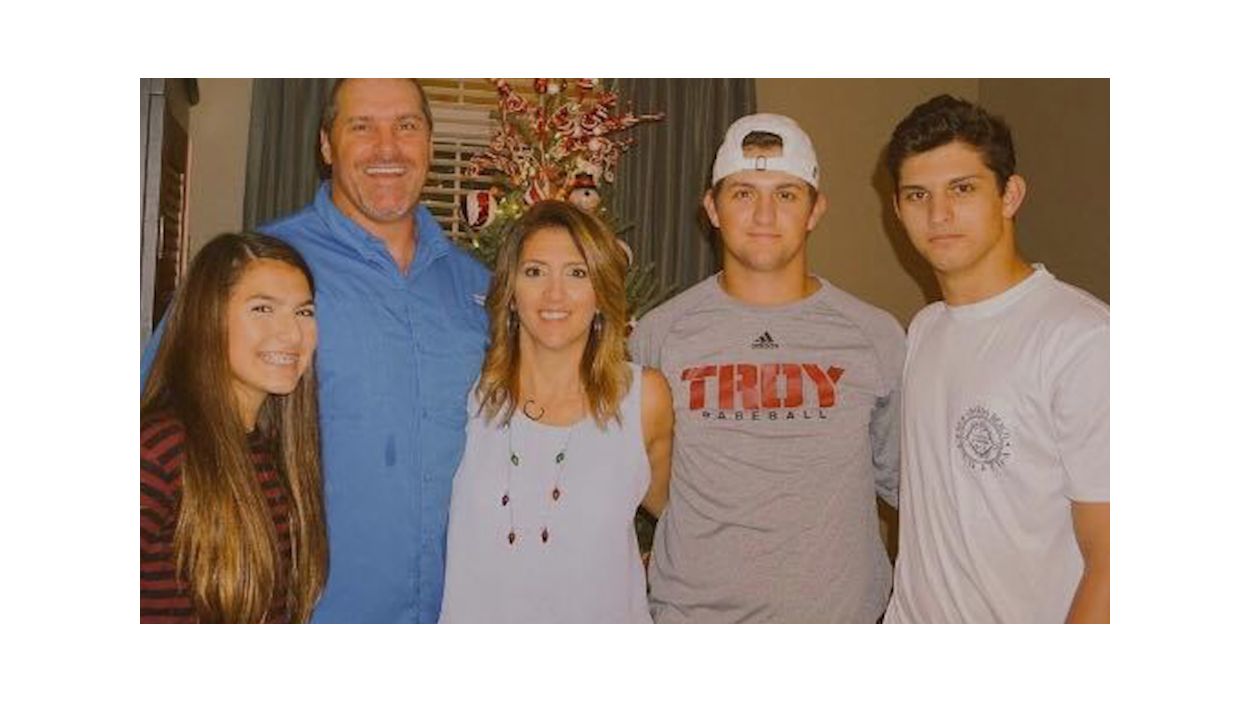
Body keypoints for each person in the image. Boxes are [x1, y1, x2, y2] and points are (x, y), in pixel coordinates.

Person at [142, 79, 491, 622]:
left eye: (406, 126)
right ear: (326, 145)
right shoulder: (263, 270)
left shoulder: (477, 288)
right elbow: (161, 412)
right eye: (361, 126)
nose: (387, 147)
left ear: (429, 142)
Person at [629, 114, 905, 623]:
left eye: (786, 194)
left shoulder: (876, 335)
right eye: (742, 193)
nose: (763, 214)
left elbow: (913, 489)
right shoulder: (658, 335)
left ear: (815, 210)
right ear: (712, 208)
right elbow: (634, 471)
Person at [882, 95, 1110, 623]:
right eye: (918, 195)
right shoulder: (923, 330)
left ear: (1010, 195)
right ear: (896, 209)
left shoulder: (1083, 340)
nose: (938, 214)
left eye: (962, 189)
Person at [439, 200, 673, 623]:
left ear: (601, 293)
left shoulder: (643, 399)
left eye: (577, 273)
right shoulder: (470, 394)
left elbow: (686, 521)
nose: (555, 294)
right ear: (510, 292)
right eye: (535, 272)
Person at [140, 232, 326, 623]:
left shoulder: (271, 453)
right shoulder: (157, 451)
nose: (291, 334)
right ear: (208, 319)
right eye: (262, 309)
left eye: (304, 312)